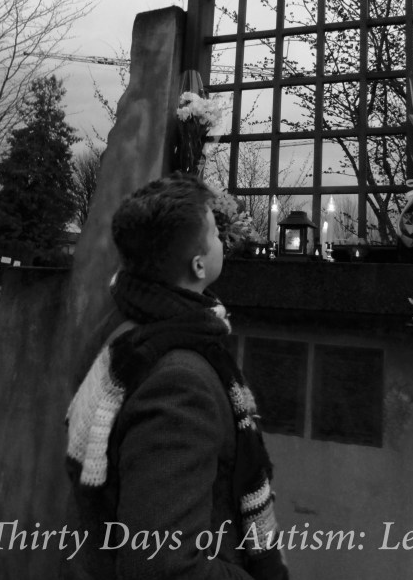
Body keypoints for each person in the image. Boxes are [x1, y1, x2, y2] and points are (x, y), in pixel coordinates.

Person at [64, 172, 289, 579]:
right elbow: (164, 566)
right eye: (215, 233)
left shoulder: (121, 325)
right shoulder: (180, 383)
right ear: (198, 264)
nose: (222, 240)